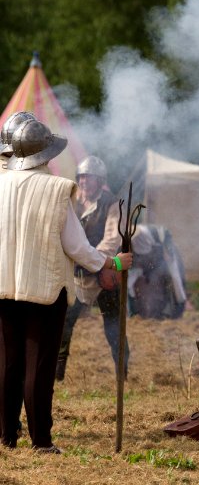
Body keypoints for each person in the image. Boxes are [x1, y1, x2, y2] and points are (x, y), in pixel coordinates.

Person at [0, 119, 132, 452]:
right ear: (46, 153)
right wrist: (112, 263)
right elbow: (76, 246)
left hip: (3, 287)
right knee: (39, 367)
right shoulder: (57, 189)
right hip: (44, 290)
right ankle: (41, 441)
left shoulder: (1, 184)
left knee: (8, 363)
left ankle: (6, 436)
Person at [56, 156, 125, 381]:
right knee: (63, 327)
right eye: (82, 177)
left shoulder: (111, 203)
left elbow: (112, 239)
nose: (84, 181)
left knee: (114, 328)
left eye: (89, 177)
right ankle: (57, 376)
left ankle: (122, 376)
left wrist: (94, 261)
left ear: (100, 180)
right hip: (75, 277)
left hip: (103, 273)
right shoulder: (71, 200)